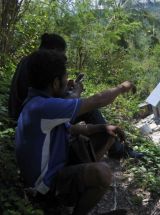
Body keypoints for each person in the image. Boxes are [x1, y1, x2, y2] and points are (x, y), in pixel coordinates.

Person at [15, 49, 135, 214]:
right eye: (65, 78)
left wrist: (102, 128)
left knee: (102, 136)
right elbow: (97, 100)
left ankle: (82, 187)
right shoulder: (44, 107)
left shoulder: (37, 103)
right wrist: (122, 87)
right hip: (44, 188)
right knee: (102, 173)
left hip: (52, 170)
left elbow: (71, 129)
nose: (68, 81)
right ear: (55, 83)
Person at [8, 33, 143, 159]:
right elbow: (95, 101)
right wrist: (120, 88)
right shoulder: (39, 65)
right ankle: (117, 150)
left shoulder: (32, 62)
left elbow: (44, 93)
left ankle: (110, 146)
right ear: (54, 50)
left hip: (26, 117)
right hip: (33, 122)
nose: (62, 61)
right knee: (90, 110)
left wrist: (63, 87)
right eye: (62, 57)